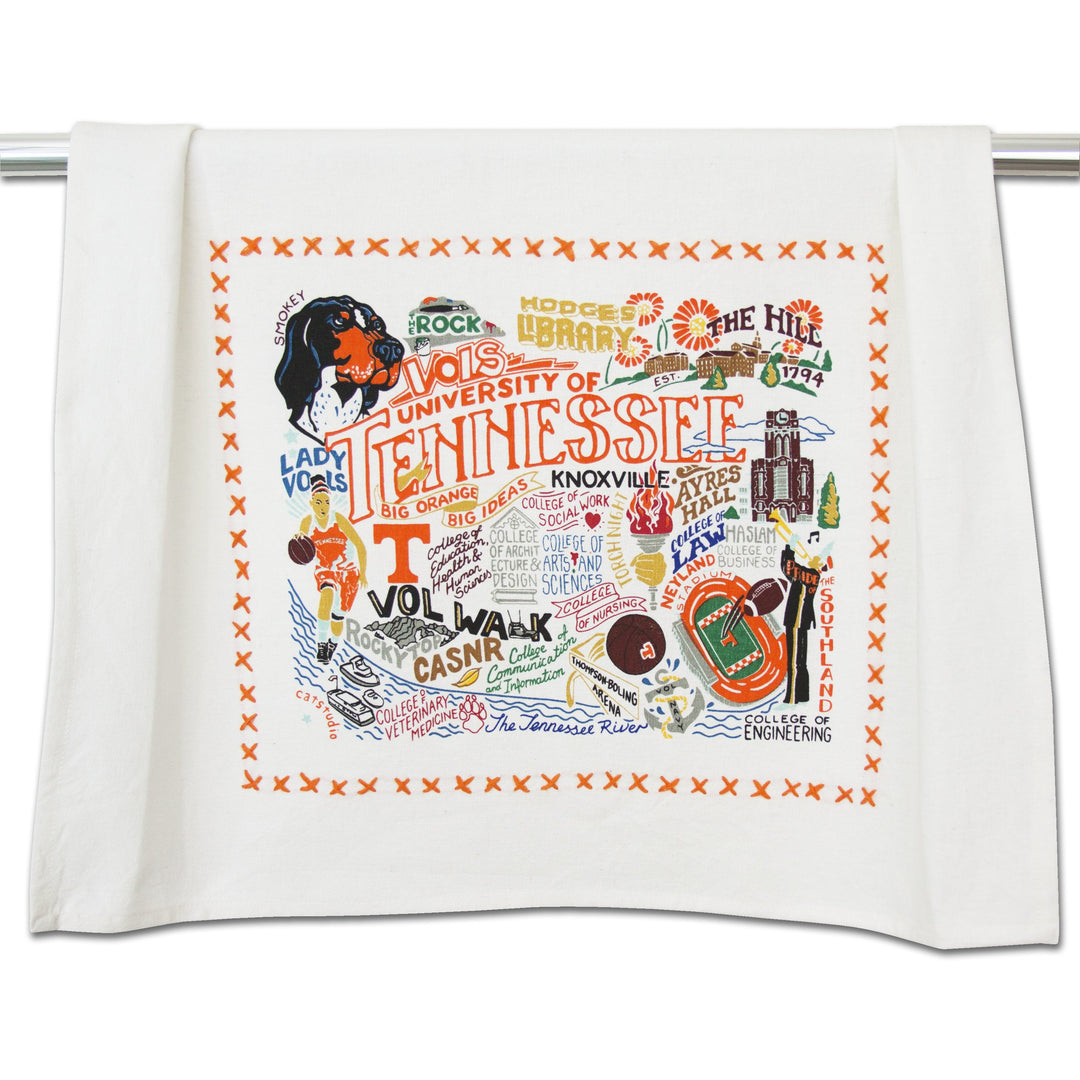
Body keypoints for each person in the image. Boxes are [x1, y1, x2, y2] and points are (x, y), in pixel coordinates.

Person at [294, 475, 368, 663]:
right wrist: (297, 541)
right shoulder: (308, 522)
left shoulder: (338, 519)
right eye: (318, 502)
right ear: (311, 503)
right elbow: (300, 539)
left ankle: (332, 644)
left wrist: (363, 574)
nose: (323, 507)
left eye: (326, 502)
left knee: (338, 617)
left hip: (347, 572)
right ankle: (321, 644)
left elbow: (360, 545)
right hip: (326, 570)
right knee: (327, 595)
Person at [780, 544, 822, 704]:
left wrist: (790, 548)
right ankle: (801, 696)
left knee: (794, 662)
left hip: (796, 620)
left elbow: (789, 568)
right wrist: (788, 551)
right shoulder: (807, 576)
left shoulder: (809, 574)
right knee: (799, 662)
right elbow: (787, 569)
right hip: (800, 621)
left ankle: (793, 697)